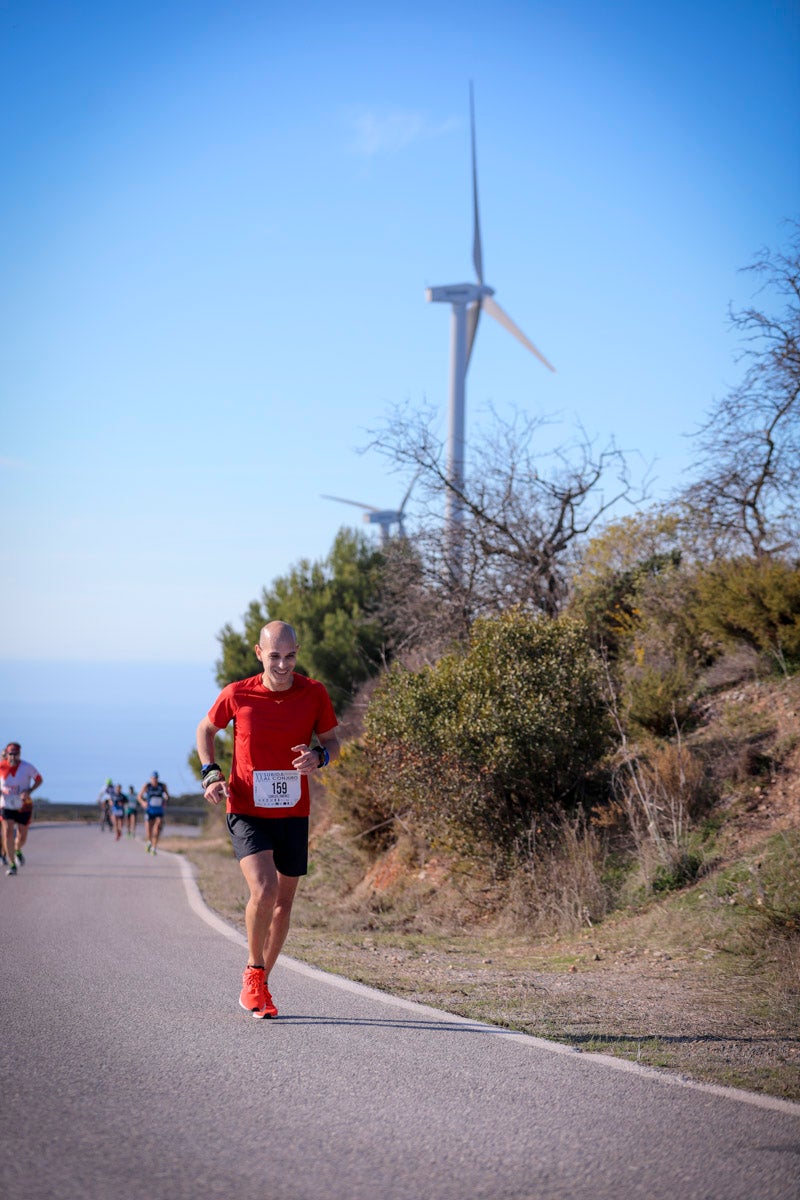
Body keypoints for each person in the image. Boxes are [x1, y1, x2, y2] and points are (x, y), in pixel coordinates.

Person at [196, 620, 339, 1019]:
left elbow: (332, 741)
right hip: (246, 808)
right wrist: (211, 772)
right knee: (265, 889)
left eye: (289, 656)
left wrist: (319, 756)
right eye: (274, 656)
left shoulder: (314, 693)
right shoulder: (238, 693)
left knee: (284, 905)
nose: (282, 665)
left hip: (293, 810)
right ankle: (254, 970)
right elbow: (206, 729)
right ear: (259, 654)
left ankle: (260, 982)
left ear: (297, 653)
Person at [1, 742, 43, 876]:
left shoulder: (27, 767)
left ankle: (17, 850)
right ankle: (12, 864)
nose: (13, 757)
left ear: (19, 754)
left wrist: (29, 791)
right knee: (8, 832)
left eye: (16, 754)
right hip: (6, 804)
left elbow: (39, 779)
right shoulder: (1, 766)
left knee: (22, 836)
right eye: (11, 754)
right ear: (7, 754)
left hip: (23, 805)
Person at [138, 771, 169, 854]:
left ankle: (154, 848)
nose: (154, 780)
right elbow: (139, 796)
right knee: (149, 830)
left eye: (156, 778)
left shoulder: (162, 786)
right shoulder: (147, 786)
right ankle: (149, 842)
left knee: (157, 829)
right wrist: (143, 802)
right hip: (149, 811)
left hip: (159, 811)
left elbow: (167, 795)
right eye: (153, 778)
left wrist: (165, 800)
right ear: (151, 778)